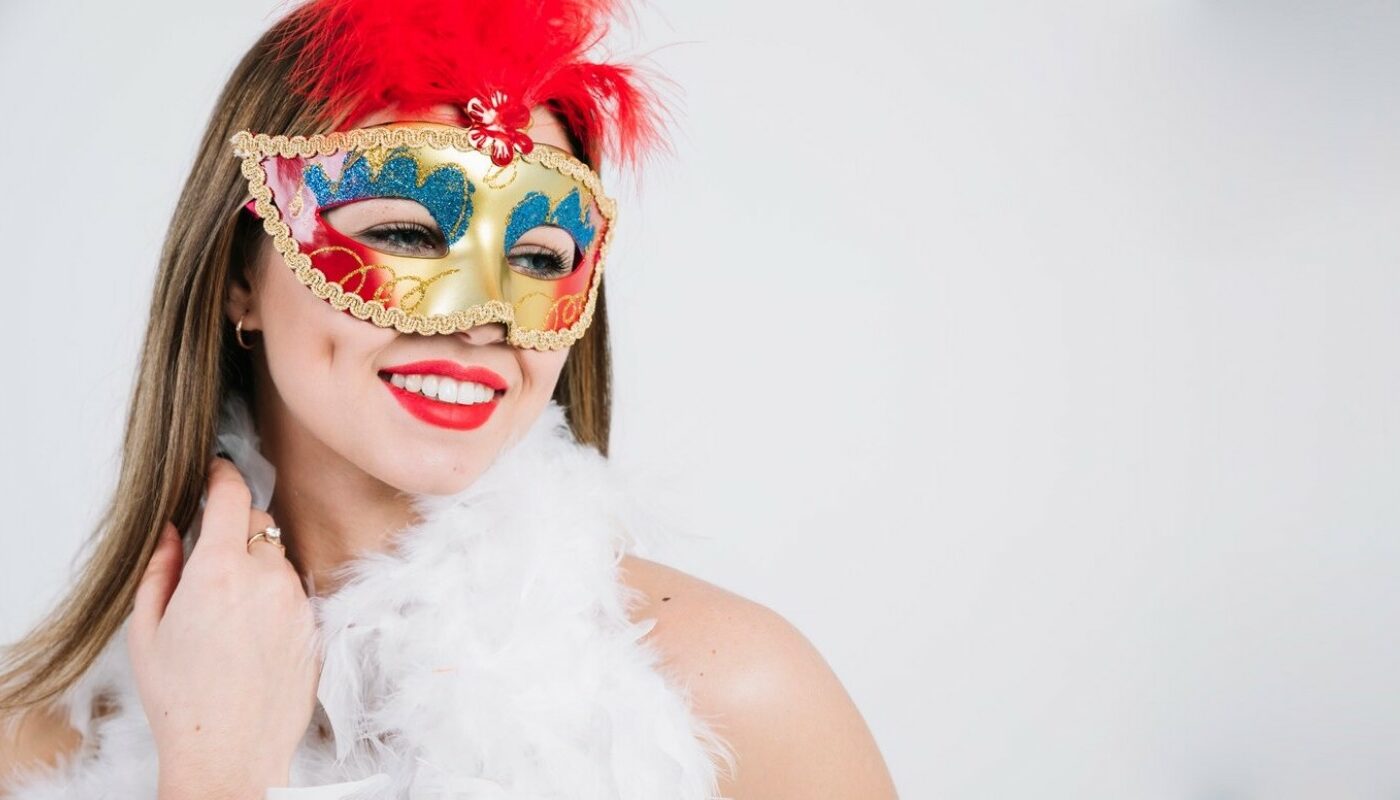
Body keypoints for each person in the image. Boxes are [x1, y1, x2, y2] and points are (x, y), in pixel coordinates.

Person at [0, 0, 898, 797]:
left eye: (539, 256)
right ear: (241, 279)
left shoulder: (737, 705)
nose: (484, 319)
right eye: (404, 233)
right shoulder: (31, 745)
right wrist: (212, 769)